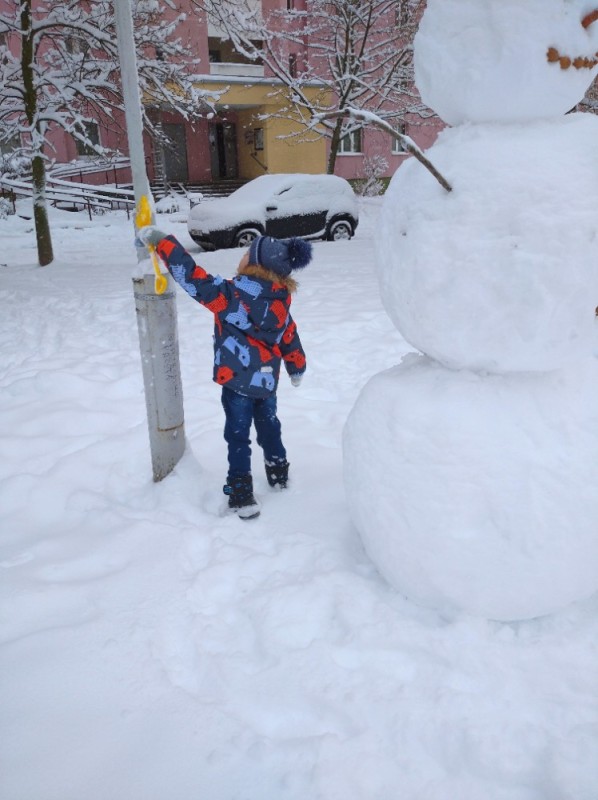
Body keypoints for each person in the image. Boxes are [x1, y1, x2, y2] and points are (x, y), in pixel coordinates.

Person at [136, 226, 312, 520]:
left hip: (237, 384)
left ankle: (242, 495)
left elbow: (191, 277)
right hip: (267, 382)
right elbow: (289, 335)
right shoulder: (280, 302)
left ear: (256, 265)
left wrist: (162, 243)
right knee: (269, 426)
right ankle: (278, 473)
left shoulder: (230, 296)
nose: (241, 257)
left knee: (238, 436)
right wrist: (297, 366)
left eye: (246, 254)